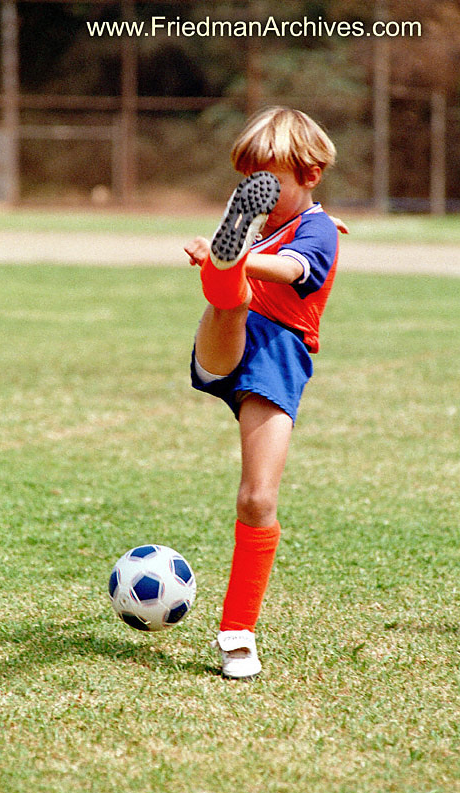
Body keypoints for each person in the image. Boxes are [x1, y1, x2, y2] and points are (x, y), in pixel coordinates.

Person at [184, 106, 345, 679]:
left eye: (269, 180)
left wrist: (242, 255)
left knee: (257, 499)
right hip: (230, 336)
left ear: (310, 174)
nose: (260, 189)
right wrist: (229, 259)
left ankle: (238, 632)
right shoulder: (264, 228)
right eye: (249, 181)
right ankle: (222, 272)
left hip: (279, 358)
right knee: (233, 298)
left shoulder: (319, 228)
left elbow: (294, 269)